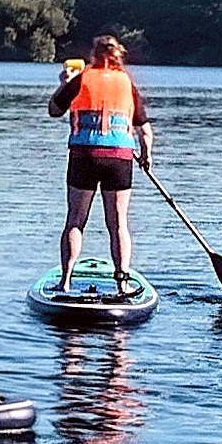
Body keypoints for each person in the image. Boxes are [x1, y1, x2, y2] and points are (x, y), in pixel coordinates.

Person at [46, 33, 153, 295]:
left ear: (94, 56)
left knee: (75, 221)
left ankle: (66, 281)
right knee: (118, 224)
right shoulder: (127, 83)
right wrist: (146, 156)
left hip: (84, 156)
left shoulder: (82, 78)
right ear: (118, 56)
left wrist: (64, 84)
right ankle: (122, 282)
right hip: (119, 158)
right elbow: (145, 130)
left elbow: (54, 110)